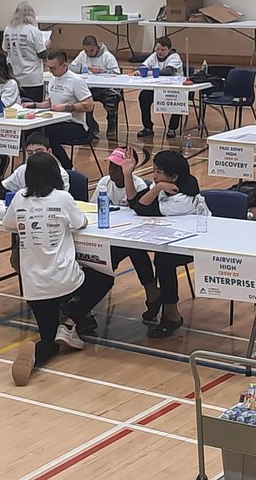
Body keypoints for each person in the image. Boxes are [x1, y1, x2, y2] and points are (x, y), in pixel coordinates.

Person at [6, 152, 104, 386]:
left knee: (48, 340)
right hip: (64, 279)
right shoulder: (62, 198)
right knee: (102, 278)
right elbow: (81, 222)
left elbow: (8, 224)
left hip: (33, 286)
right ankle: (69, 322)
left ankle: (38, 353)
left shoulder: (19, 197)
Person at [70, 146, 159, 335]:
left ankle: (151, 291)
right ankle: (79, 298)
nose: (112, 171)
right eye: (111, 166)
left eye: (117, 167)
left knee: (133, 248)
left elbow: (140, 214)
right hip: (105, 235)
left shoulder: (139, 186)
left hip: (129, 235)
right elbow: (91, 209)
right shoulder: (103, 183)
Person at [130, 150, 199, 338]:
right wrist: (157, 185)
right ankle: (153, 294)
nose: (154, 176)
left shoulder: (182, 199)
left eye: (158, 172)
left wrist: (157, 187)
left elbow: (141, 208)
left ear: (174, 176)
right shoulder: (165, 184)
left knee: (164, 259)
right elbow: (135, 202)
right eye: (154, 170)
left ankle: (171, 314)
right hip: (174, 236)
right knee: (133, 247)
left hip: (196, 244)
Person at [23, 50, 95, 170]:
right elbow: (51, 103)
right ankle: (36, 165)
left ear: (64, 65)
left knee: (50, 135)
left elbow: (89, 105)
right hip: (56, 121)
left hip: (75, 125)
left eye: (53, 68)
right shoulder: (53, 79)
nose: (51, 71)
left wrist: (67, 107)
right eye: (49, 68)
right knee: (33, 133)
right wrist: (35, 105)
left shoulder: (76, 81)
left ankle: (68, 167)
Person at [70, 35, 123, 140]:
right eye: (86, 51)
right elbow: (73, 68)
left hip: (106, 88)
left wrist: (102, 71)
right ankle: (91, 125)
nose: (89, 53)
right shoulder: (82, 55)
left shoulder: (107, 56)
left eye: (91, 50)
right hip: (89, 87)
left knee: (111, 99)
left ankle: (112, 126)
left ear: (97, 47)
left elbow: (117, 74)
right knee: (79, 99)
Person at [0, 132, 70, 200]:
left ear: (49, 152)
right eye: (30, 153)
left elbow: (59, 199)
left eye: (39, 151)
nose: (35, 156)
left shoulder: (61, 174)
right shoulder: (22, 170)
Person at [134, 36, 184, 139]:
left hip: (173, 89)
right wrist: (140, 70)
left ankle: (172, 128)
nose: (159, 52)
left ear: (169, 49)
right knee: (144, 96)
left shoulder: (175, 57)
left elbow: (168, 71)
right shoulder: (154, 56)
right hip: (156, 88)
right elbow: (144, 65)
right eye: (157, 49)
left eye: (163, 50)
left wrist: (149, 72)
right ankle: (148, 127)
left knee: (179, 99)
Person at [2, 2, 49, 103]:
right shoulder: (34, 31)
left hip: (14, 75)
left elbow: (5, 50)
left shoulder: (8, 30)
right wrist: (47, 46)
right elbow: (42, 54)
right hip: (32, 78)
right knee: (33, 108)